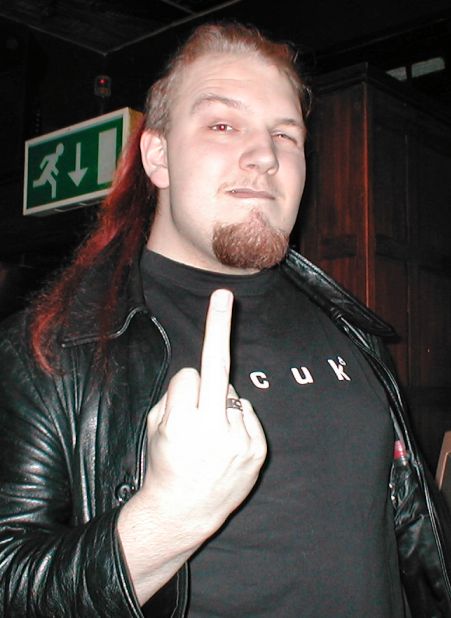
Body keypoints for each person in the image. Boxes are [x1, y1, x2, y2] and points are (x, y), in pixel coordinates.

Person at [0, 21, 449, 618]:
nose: (266, 155)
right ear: (157, 156)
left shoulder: (351, 324)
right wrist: (165, 521)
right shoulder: (51, 348)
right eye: (222, 125)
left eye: (286, 135)